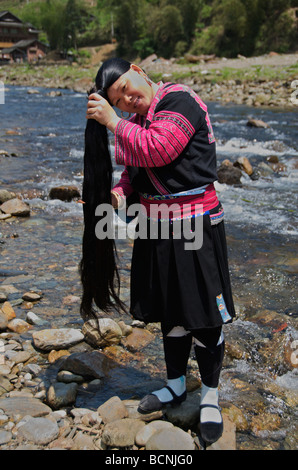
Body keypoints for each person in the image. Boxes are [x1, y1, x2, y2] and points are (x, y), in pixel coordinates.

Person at [85, 57, 236, 444]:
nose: (127, 99)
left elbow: (158, 150)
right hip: (156, 230)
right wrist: (117, 196)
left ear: (138, 69)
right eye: (118, 100)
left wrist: (111, 123)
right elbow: (132, 171)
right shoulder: (132, 124)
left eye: (126, 88)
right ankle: (174, 385)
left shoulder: (180, 101)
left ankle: (210, 397)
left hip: (195, 225)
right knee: (171, 312)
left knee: (203, 316)